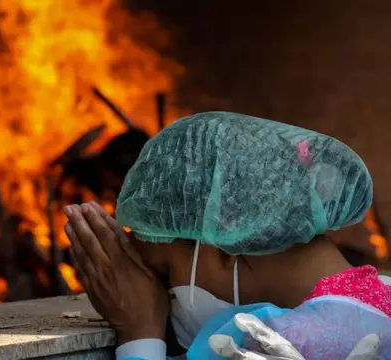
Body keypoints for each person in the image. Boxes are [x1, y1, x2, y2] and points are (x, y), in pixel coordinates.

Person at [63, 112, 391, 360]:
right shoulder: (381, 293)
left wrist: (140, 332)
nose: (153, 294)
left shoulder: (273, 342)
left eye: (163, 276)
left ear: (228, 242)